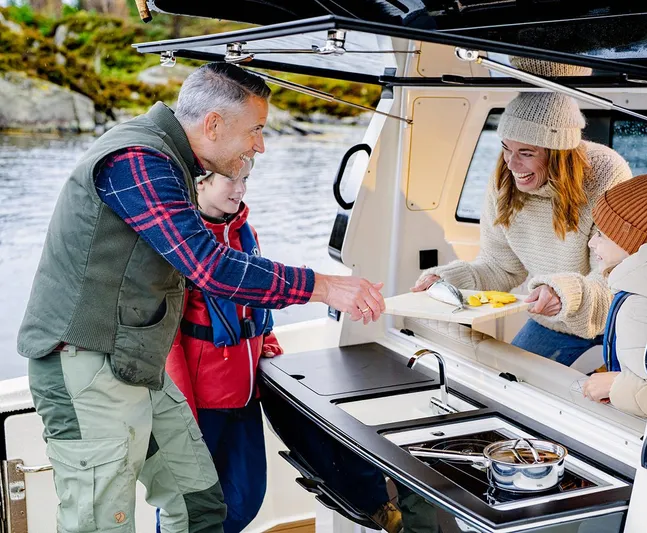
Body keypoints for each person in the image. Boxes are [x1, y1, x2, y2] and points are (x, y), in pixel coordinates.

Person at [18, 62, 385, 533]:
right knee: (99, 524)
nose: (260, 145)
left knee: (201, 506)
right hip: (85, 365)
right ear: (213, 124)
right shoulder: (137, 158)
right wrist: (326, 286)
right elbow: (209, 266)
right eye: (255, 130)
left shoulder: (171, 164)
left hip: (134, 363)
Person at [413, 80, 632, 366]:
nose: (512, 164)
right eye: (506, 148)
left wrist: (565, 294)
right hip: (553, 320)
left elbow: (614, 276)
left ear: (558, 154)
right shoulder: (504, 181)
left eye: (526, 153)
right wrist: (448, 282)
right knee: (505, 376)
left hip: (617, 318)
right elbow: (500, 267)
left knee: (621, 394)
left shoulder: (606, 173)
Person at [161, 158, 279, 532]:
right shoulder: (182, 244)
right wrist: (184, 413)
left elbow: (258, 304)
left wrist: (268, 341)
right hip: (201, 403)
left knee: (246, 498)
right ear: (200, 182)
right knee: (187, 508)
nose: (240, 189)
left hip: (246, 396)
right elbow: (167, 339)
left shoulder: (248, 235)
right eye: (231, 179)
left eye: (246, 179)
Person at [581, 170, 647, 417]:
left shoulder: (638, 307)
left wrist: (614, 385)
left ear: (631, 241)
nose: (591, 242)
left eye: (601, 234)